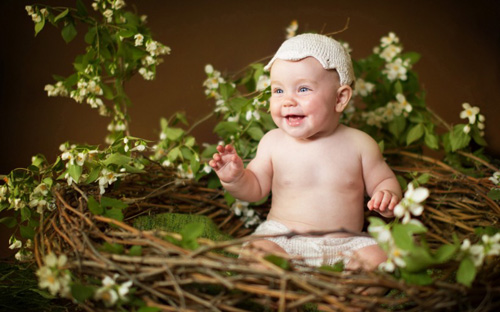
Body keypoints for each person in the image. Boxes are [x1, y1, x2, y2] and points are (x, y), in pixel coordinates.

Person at [209, 33, 401, 270]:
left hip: (345, 243)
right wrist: (236, 178)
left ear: (340, 98)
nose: (287, 101)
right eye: (278, 91)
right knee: (259, 253)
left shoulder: (360, 145)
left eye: (302, 89)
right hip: (284, 241)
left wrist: (387, 196)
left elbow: (384, 180)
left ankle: (341, 302)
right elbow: (255, 189)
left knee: (379, 256)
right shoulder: (273, 142)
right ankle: (281, 298)